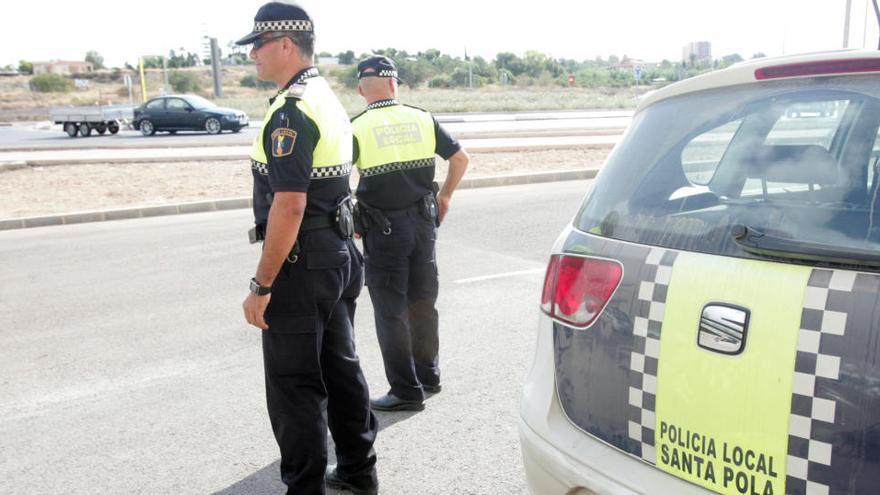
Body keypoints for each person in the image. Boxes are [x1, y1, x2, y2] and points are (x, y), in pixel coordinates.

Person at [236, 3, 378, 494]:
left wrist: (262, 284)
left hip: (302, 262)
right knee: (340, 368)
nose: (251, 55)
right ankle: (359, 472)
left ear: (284, 45)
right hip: (337, 253)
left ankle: (305, 488)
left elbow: (290, 206)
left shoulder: (291, 109)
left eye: (256, 45)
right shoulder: (325, 96)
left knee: (294, 386)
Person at [351, 55, 470, 412]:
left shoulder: (356, 127)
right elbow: (461, 158)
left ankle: (405, 390)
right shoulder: (422, 118)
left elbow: (339, 181)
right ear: (394, 84)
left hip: (384, 231)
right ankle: (428, 375)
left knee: (391, 310)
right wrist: (445, 195)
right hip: (423, 226)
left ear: (361, 89)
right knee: (422, 302)